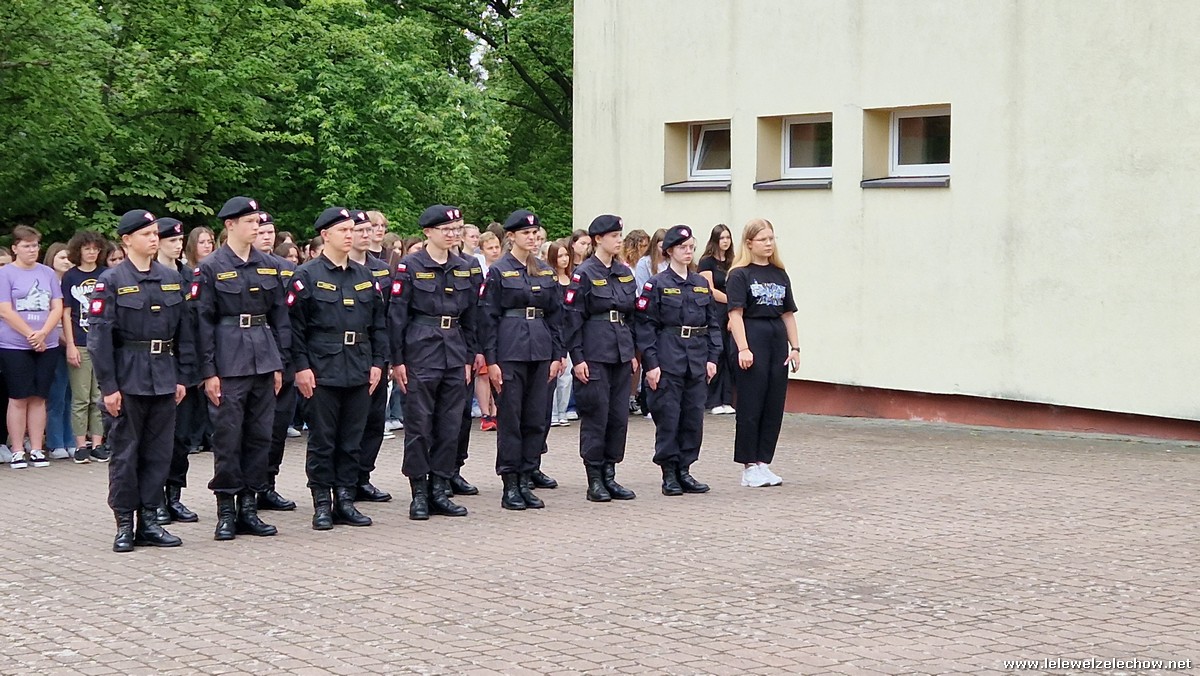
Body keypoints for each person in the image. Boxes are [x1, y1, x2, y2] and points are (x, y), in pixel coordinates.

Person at [88, 209, 191, 552]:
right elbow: (99, 338)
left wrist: (181, 377)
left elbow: (184, 331)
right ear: (127, 240)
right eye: (146, 234)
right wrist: (109, 387)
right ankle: (124, 523)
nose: (153, 239)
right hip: (128, 375)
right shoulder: (111, 280)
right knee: (125, 453)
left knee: (158, 453)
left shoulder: (170, 277)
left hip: (164, 373)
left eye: (155, 233)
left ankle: (150, 520)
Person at [195, 196, 288, 541]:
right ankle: (225, 510)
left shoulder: (269, 265)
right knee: (228, 437)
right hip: (228, 358)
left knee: (259, 436)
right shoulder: (211, 267)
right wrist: (209, 372)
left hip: (263, 356)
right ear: (230, 225)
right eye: (249, 222)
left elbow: (279, 317)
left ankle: (249, 507)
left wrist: (279, 363)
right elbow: (202, 322)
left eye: (258, 222)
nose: (256, 227)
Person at [288, 207, 384, 530]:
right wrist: (301, 367)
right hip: (322, 369)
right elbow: (295, 329)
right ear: (325, 235)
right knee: (323, 440)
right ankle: (322, 503)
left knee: (351, 439)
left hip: (358, 365)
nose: (349, 235)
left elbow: (378, 325)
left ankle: (345, 499)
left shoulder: (364, 276)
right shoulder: (306, 275)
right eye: (343, 230)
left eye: (351, 230)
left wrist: (377, 362)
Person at [388, 205, 479, 519]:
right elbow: (397, 315)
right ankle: (419, 493)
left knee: (450, 425)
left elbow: (471, 317)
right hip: (421, 349)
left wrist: (468, 357)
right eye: (446, 229)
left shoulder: (464, 267)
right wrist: (397, 360)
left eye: (456, 229)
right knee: (419, 426)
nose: (452, 234)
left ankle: (440, 489)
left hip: (454, 350)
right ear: (428, 232)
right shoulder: (410, 266)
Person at [479, 209, 565, 510]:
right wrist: (491, 360)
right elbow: (488, 318)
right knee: (511, 419)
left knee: (535, 418)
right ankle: (510, 483)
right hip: (510, 350)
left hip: (540, 350)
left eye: (535, 233)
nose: (532, 238)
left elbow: (556, 316)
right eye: (526, 233)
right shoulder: (499, 271)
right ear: (511, 236)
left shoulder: (544, 271)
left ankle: (527, 477)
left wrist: (557, 355)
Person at [635, 225, 721, 496]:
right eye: (683, 247)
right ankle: (669, 472)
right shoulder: (657, 284)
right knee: (669, 416)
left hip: (696, 357)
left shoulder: (700, 284)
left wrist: (713, 358)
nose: (688, 252)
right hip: (669, 357)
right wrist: (651, 364)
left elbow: (713, 324)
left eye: (691, 247)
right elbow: (646, 327)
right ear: (669, 251)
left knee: (693, 417)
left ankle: (685, 469)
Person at [564, 215, 640, 502]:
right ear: (598, 239)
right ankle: (594, 478)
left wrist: (633, 352)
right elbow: (572, 318)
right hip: (594, 351)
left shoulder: (624, 272)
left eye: (620, 235)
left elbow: (633, 316)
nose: (619, 240)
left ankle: (610, 474)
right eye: (613, 236)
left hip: (621, 352)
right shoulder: (584, 273)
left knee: (618, 417)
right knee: (597, 414)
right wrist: (578, 357)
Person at [726, 218, 801, 488]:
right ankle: (748, 465)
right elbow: (735, 314)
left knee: (773, 404)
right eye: (763, 239)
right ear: (749, 243)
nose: (769, 244)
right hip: (752, 335)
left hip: (776, 340)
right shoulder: (740, 274)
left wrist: (795, 348)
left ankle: (763, 462)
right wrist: (743, 348)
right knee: (751, 404)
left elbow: (788, 314)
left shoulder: (780, 274)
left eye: (771, 238)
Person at [0, 225, 64, 470]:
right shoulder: (6, 274)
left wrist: (44, 333)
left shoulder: (47, 273)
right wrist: (30, 334)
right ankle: (17, 449)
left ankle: (36, 448)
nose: (32, 250)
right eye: (26, 246)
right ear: (15, 248)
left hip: (47, 344)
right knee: (18, 396)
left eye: (35, 245)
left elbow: (57, 306)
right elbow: (5, 310)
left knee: (39, 396)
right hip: (14, 345)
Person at [251, 212, 299, 513]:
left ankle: (267, 485)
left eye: (270, 231)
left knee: (278, 427)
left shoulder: (287, 269)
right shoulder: (239, 269)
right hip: (251, 355)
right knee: (252, 430)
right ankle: (247, 489)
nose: (267, 236)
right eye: (261, 231)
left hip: (284, 354)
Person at [153, 218, 200, 525]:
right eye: (171, 240)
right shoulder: (150, 275)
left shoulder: (189, 275)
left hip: (186, 364)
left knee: (181, 438)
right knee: (158, 438)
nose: (177, 245)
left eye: (179, 240)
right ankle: (154, 498)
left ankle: (174, 496)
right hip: (157, 364)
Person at [349, 210, 394, 503]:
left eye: (369, 230)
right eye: (360, 230)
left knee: (375, 420)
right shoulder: (333, 269)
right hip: (344, 354)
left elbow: (388, 316)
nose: (366, 235)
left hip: (375, 352)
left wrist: (386, 357)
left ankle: (363, 477)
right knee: (350, 421)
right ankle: (344, 480)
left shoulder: (382, 270)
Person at [61, 230, 109, 463]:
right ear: (78, 250)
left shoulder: (106, 274)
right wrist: (70, 344)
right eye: (87, 248)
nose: (91, 253)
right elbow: (66, 313)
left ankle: (98, 443)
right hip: (80, 341)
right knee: (81, 397)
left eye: (95, 249)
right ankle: (81, 445)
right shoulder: (70, 277)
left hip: (103, 343)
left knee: (99, 395)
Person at [698, 224, 736, 415]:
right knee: (716, 352)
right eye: (722, 238)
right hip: (716, 310)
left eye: (728, 238)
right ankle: (713, 400)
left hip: (732, 311)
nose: (725, 241)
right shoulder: (707, 262)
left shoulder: (732, 261)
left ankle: (727, 399)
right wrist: (732, 300)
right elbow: (709, 289)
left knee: (730, 353)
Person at [44, 242, 76, 460]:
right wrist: (67, 340)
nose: (67, 262)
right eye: (62, 257)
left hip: (75, 344)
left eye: (69, 258)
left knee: (72, 396)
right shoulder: (48, 284)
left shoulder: (73, 282)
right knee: (57, 395)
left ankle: (70, 439)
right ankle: (55, 442)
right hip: (55, 343)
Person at [547, 240, 574, 427]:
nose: (564, 259)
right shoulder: (550, 279)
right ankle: (552, 412)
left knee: (567, 375)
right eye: (560, 256)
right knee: (553, 373)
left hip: (570, 331)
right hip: (555, 330)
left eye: (566, 255)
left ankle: (562, 411)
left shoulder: (573, 279)